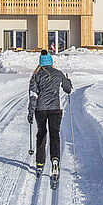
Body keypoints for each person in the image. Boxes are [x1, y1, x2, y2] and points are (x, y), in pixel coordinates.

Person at [29, 49, 73, 178]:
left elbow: (33, 95)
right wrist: (68, 82)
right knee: (55, 135)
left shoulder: (36, 75)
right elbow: (67, 89)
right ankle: (55, 160)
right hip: (55, 109)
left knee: (41, 134)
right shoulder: (59, 74)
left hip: (40, 109)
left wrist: (31, 111)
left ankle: (40, 163)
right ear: (51, 62)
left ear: (40, 63)